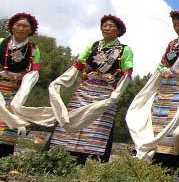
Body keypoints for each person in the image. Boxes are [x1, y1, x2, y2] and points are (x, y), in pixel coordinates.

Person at [127, 10, 179, 171]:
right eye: (174, 25)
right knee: (156, 123)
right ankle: (153, 159)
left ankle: (171, 164)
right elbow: (162, 64)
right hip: (164, 90)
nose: (177, 28)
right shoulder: (172, 44)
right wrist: (162, 72)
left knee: (174, 126)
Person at [47, 15, 133, 164]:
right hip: (85, 89)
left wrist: (116, 94)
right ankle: (61, 156)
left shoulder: (124, 50)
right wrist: (59, 83)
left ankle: (91, 161)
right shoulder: (93, 46)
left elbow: (127, 73)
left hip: (106, 92)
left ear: (118, 31)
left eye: (111, 26)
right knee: (74, 117)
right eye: (104, 25)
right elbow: (78, 65)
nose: (106, 28)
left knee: (98, 124)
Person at [0, 13, 41, 157]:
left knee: (8, 124)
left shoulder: (34, 50)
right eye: (18, 25)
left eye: (25, 26)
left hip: (15, 92)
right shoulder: (1, 42)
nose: (21, 28)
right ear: (12, 26)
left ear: (31, 30)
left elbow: (34, 72)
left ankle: (4, 159)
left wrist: (22, 77)